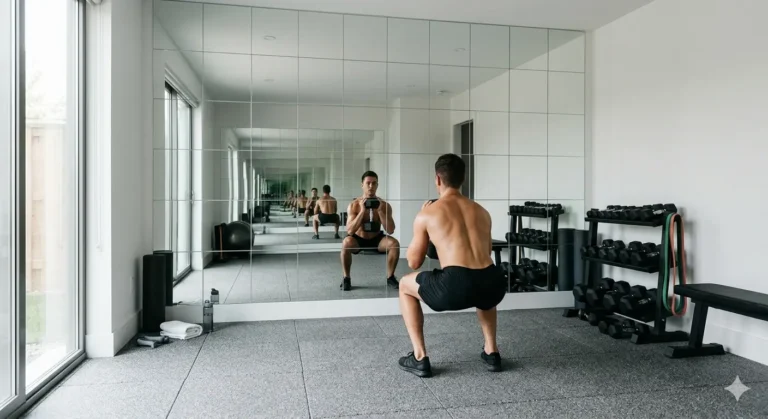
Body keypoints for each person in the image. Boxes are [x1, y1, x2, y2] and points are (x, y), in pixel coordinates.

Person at [396, 154, 507, 378]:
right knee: (482, 279)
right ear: (462, 179)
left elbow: (414, 261)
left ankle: (419, 357)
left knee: (404, 285)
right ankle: (491, 351)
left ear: (438, 179)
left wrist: (421, 221)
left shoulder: (427, 213)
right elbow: (482, 254)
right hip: (494, 283)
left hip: (454, 287)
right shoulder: (482, 212)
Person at [340, 171, 400, 291]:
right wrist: (362, 211)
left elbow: (391, 230)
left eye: (374, 183)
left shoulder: (385, 205)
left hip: (376, 239)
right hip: (358, 239)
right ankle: (346, 278)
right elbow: (350, 231)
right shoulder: (354, 205)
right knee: (346, 243)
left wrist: (381, 211)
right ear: (362, 185)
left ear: (377, 185)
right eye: (368, 183)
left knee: (394, 244)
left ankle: (390, 277)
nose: (371, 186)